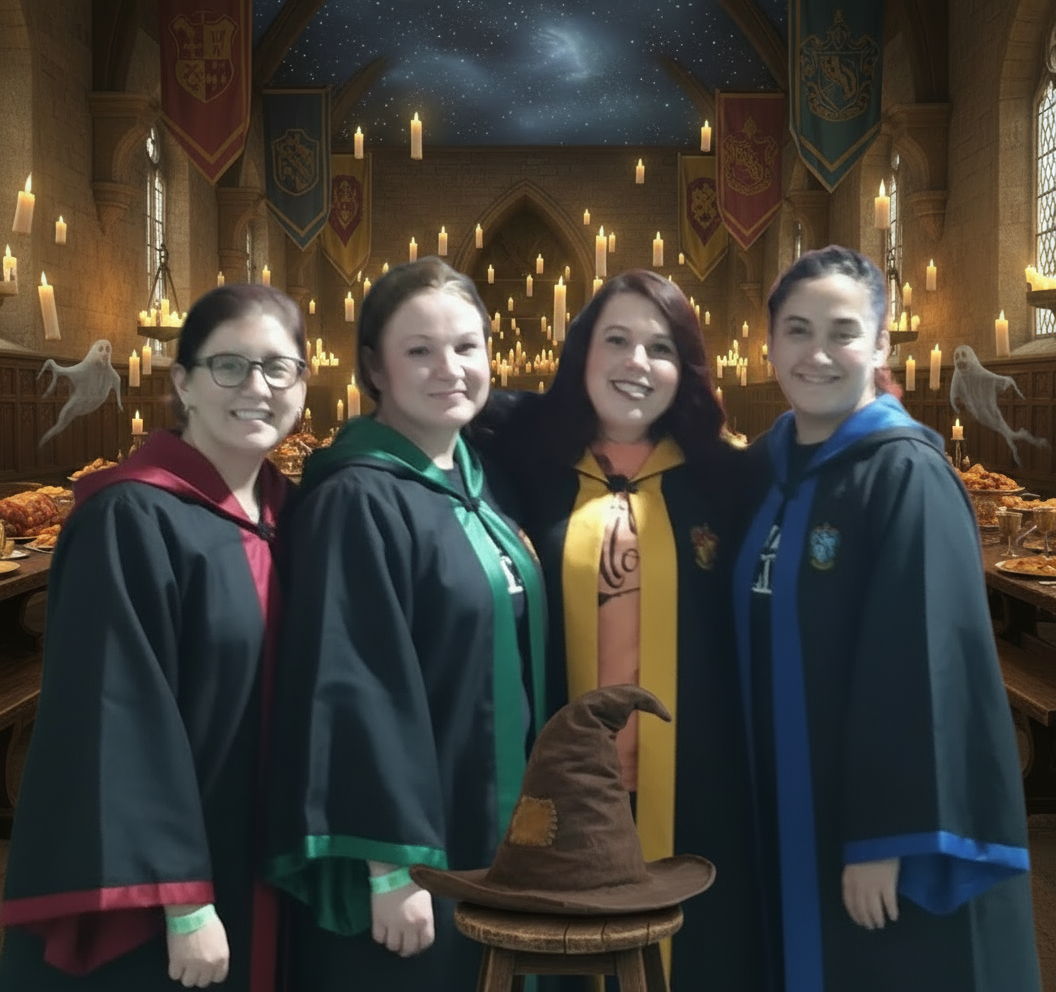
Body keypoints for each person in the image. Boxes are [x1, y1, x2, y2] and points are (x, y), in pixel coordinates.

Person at [732, 245, 1041, 992]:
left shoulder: (906, 474)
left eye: (842, 332)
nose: (817, 353)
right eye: (797, 330)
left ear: (878, 347)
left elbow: (926, 665)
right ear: (769, 344)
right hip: (786, 793)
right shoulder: (765, 473)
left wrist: (884, 836)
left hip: (870, 821)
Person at [0, 284, 308, 991]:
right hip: (176, 874)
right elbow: (117, 711)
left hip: (266, 844)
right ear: (184, 383)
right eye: (229, 365)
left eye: (278, 367)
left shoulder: (291, 516)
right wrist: (182, 897)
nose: (256, 387)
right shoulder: (130, 519)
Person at [477, 269, 767, 992]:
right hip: (561, 790)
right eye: (616, 340)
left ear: (684, 369)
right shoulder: (525, 470)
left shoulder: (727, 481)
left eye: (660, 347)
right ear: (581, 353)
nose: (637, 363)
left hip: (695, 780)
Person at [266, 256, 548, 992]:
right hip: (419, 849)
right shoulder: (356, 499)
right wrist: (390, 867)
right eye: (419, 350)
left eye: (466, 346)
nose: (449, 369)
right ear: (374, 368)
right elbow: (353, 683)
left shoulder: (480, 482)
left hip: (497, 820)